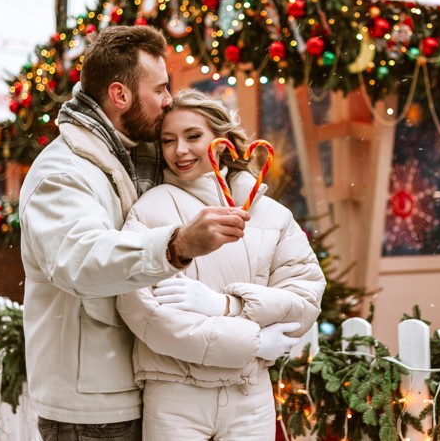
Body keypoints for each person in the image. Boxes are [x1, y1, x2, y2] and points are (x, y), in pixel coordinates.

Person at [20, 26, 250, 441]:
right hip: (91, 408)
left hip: (147, 385)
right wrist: (177, 244)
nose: (168, 101)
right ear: (120, 95)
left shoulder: (136, 154)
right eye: (160, 89)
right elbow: (82, 261)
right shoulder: (62, 172)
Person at [117, 89, 326, 441]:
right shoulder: (148, 211)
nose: (180, 150)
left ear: (223, 141)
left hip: (250, 398)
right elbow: (144, 312)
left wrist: (227, 305)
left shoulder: (273, 216)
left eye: (193, 136)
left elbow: (304, 299)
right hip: (175, 397)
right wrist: (253, 342)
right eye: (168, 141)